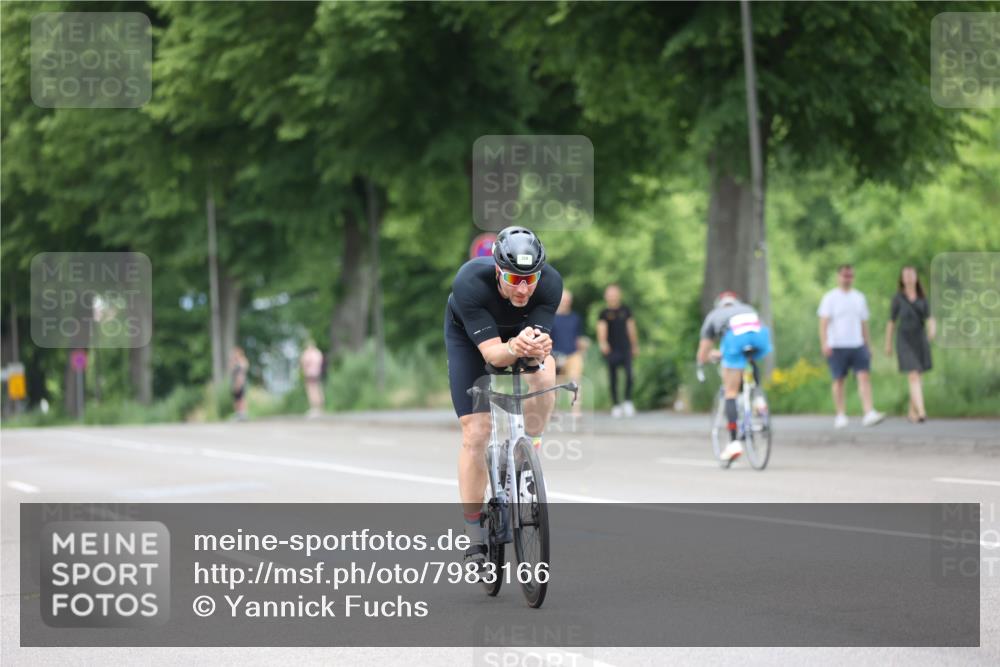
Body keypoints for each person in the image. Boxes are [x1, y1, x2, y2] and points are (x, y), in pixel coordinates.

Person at [444, 226, 562, 571]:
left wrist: (538, 347)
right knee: (477, 432)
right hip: (473, 342)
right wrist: (513, 347)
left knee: (544, 372)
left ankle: (530, 451)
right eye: (514, 278)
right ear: (497, 270)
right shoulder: (470, 282)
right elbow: (494, 356)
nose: (523, 287)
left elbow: (538, 345)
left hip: (517, 336)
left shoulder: (551, 283)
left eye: (530, 278)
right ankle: (474, 532)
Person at [696, 291, 773, 464]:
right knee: (749, 358)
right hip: (760, 337)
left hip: (735, 340)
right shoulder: (747, 308)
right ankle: (758, 399)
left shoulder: (714, 315)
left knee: (730, 391)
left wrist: (704, 361)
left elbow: (704, 352)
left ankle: (733, 442)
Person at [818, 264, 885, 428]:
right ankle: (840, 414)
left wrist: (868, 344)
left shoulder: (859, 297)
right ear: (838, 277)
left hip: (857, 343)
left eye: (850, 276)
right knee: (839, 380)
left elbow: (864, 323)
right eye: (844, 276)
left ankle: (868, 411)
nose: (847, 279)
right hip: (837, 345)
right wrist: (824, 342)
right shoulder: (830, 297)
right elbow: (824, 323)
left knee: (864, 377)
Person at [885, 266, 935, 423]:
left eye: (911, 274)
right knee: (913, 374)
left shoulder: (922, 298)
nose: (908, 277)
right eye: (905, 275)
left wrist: (931, 331)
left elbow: (930, 318)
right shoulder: (898, 298)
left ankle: (912, 412)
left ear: (916, 277)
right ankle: (922, 411)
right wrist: (888, 344)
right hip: (904, 339)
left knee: (917, 376)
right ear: (902, 278)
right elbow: (891, 322)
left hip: (919, 338)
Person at [597, 284, 638, 417]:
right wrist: (603, 343)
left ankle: (627, 401)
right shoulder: (604, 313)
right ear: (606, 296)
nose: (612, 296)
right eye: (610, 294)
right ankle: (616, 405)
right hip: (612, 349)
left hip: (625, 347)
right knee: (613, 377)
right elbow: (601, 329)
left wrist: (634, 345)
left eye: (615, 293)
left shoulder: (626, 310)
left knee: (629, 374)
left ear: (619, 295)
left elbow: (631, 328)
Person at [551, 289, 587, 416]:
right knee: (554, 384)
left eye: (568, 300)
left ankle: (575, 411)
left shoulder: (575, 318)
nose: (566, 302)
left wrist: (583, 349)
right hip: (556, 355)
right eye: (564, 300)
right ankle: (553, 410)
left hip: (573, 354)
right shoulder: (552, 318)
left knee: (575, 382)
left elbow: (579, 337)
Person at [300, 339, 325, 417]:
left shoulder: (308, 354)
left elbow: (304, 362)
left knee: (312, 390)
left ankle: (314, 407)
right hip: (317, 373)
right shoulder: (318, 353)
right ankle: (320, 408)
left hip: (310, 374)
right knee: (317, 389)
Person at [229, 346, 249, 421]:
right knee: (236, 399)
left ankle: (243, 414)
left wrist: (239, 383)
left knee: (242, 398)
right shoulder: (234, 362)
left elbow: (243, 370)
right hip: (234, 382)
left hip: (241, 382)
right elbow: (231, 370)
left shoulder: (242, 361)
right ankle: (238, 414)